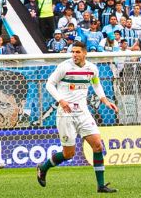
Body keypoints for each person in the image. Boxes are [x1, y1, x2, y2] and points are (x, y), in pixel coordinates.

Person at [37, 43, 118, 193]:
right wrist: (61, 100)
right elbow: (49, 84)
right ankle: (44, 167)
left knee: (98, 145)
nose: (74, 54)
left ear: (85, 53)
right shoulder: (64, 67)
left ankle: (100, 186)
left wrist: (105, 101)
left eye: (77, 52)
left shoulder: (92, 69)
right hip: (65, 114)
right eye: (72, 52)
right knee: (69, 154)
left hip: (83, 113)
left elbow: (96, 84)